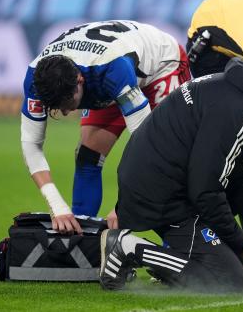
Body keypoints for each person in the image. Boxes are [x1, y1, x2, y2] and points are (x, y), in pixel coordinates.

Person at [99, 48, 243, 292]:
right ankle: (127, 247)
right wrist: (242, 246)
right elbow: (206, 189)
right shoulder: (242, 110)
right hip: (161, 193)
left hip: (165, 181)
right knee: (229, 280)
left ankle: (179, 260)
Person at [20, 20, 190, 234]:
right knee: (87, 156)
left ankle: (181, 250)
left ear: (79, 81)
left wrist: (125, 205)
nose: (64, 113)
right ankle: (81, 241)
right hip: (112, 73)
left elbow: (148, 146)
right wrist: (57, 206)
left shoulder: (111, 71)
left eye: (68, 105)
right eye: (56, 108)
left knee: (169, 158)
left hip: (162, 65)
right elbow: (31, 146)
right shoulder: (35, 80)